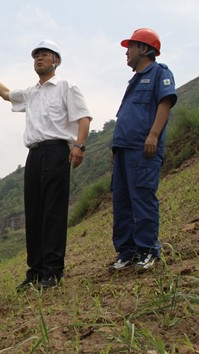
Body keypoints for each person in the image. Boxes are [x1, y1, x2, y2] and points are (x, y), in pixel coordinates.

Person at [0, 40, 92, 290]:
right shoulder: (31, 92)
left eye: (44, 55)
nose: (39, 59)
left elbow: (84, 117)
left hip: (57, 151)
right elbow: (6, 94)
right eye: (36, 55)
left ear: (56, 61)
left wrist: (79, 147)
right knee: (35, 214)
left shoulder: (66, 87)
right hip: (35, 155)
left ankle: (53, 271)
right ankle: (35, 272)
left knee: (53, 214)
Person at [109, 28, 177, 272]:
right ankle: (127, 252)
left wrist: (154, 135)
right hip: (124, 151)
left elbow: (165, 101)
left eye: (131, 47)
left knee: (143, 198)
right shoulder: (134, 81)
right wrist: (116, 147)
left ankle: (148, 250)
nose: (126, 52)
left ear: (145, 49)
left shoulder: (159, 73)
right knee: (122, 202)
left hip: (143, 149)